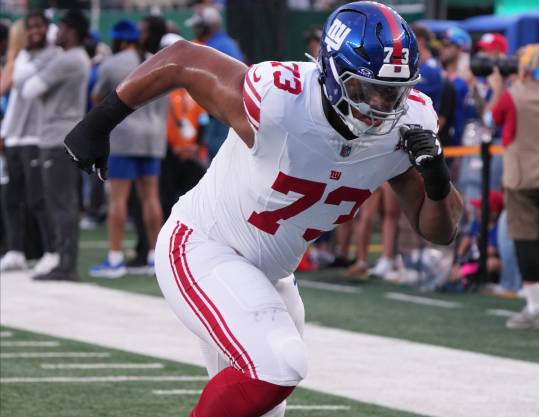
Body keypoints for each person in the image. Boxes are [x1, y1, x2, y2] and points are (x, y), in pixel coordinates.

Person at [64, 2, 463, 415]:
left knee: (266, 402)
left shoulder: (409, 121)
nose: (381, 105)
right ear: (330, 73)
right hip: (203, 245)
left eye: (394, 91)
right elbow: (181, 58)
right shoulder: (280, 99)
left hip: (271, 273)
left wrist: (436, 180)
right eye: (367, 89)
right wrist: (99, 123)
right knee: (278, 365)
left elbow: (440, 231)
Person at [88, 19, 168, 278]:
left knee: (118, 199)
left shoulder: (113, 64)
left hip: (124, 137)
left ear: (120, 40)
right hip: (154, 137)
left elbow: (98, 98)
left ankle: (114, 259)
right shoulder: (159, 62)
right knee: (151, 198)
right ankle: (155, 258)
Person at [20, 9, 90, 282]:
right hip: (65, 135)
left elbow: (28, 89)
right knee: (63, 201)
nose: (55, 34)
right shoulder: (76, 57)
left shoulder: (67, 60)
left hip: (57, 137)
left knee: (61, 203)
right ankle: (64, 262)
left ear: (71, 32)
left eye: (60, 29)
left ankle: (66, 265)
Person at [0, 10, 59, 276]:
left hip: (38, 135)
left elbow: (23, 82)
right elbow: (16, 91)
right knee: (11, 198)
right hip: (14, 136)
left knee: (38, 198)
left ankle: (51, 251)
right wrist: (5, 131)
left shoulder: (52, 54)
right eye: (29, 28)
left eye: (38, 27)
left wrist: (20, 67)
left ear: (47, 29)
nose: (33, 31)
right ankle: (15, 252)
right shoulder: (23, 56)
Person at [489, 44, 539, 329]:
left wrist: (497, 87)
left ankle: (534, 305)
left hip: (522, 177)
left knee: (525, 240)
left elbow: (490, 120)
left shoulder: (513, 95)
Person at [186, 5, 244, 162]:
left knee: (218, 156)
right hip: (230, 109)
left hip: (221, 111)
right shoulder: (228, 43)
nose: (195, 31)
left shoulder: (212, 47)